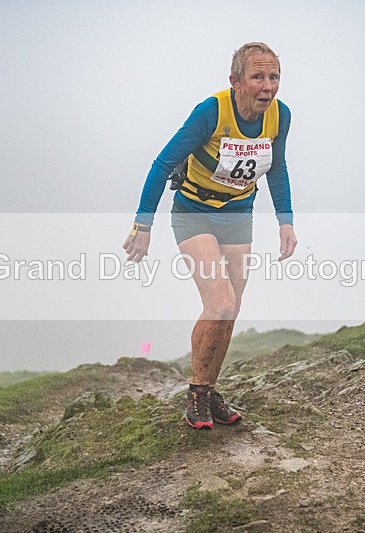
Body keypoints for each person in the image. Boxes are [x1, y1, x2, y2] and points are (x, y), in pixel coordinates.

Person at [124, 43, 297, 429]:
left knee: (231, 308)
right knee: (219, 303)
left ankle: (209, 390)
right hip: (194, 214)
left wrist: (285, 221)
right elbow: (162, 163)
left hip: (238, 217)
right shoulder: (211, 112)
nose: (267, 86)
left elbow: (277, 167)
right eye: (258, 77)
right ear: (235, 81)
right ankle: (197, 394)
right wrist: (142, 225)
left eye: (274, 77)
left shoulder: (279, 117)